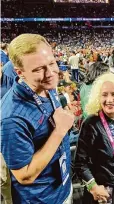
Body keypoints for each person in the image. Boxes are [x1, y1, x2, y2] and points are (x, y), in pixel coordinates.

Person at [1, 34, 74, 203]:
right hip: (40, 199)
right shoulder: (12, 117)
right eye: (38, 69)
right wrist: (59, 131)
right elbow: (24, 176)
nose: (50, 73)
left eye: (51, 63)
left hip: (61, 188)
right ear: (20, 72)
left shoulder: (47, 86)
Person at [74, 73, 114, 204]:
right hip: (103, 193)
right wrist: (93, 187)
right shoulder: (91, 124)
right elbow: (80, 163)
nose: (109, 100)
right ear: (98, 97)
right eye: (104, 95)